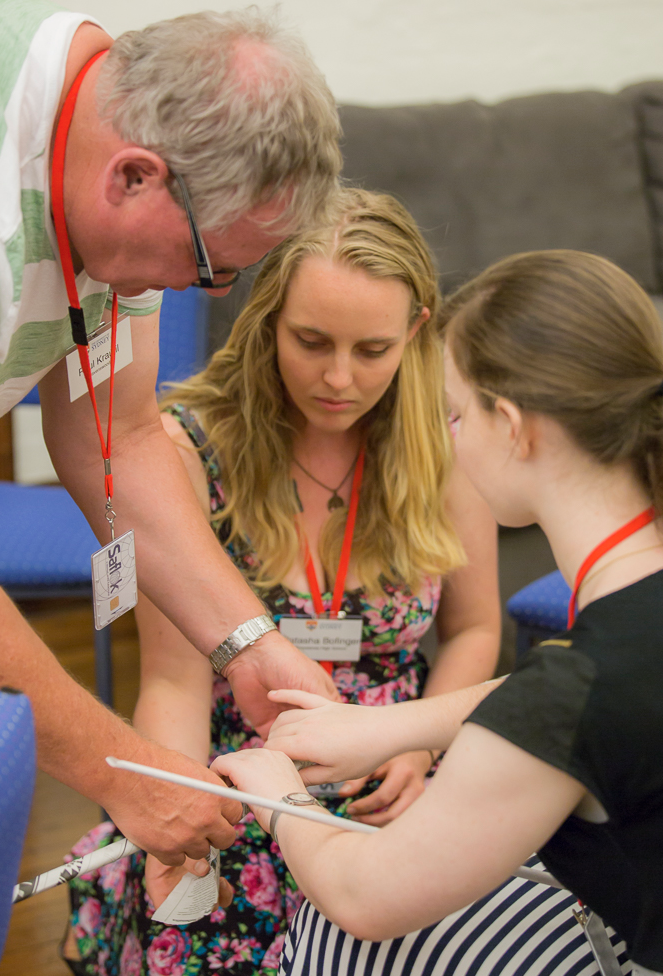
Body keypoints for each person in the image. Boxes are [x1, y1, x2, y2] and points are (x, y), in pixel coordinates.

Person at [64, 188, 501, 974]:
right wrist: (186, 813)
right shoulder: (184, 451)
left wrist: (423, 750)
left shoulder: (446, 447)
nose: (337, 378)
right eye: (310, 341)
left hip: (392, 768)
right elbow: (174, 680)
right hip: (240, 773)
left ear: (416, 331)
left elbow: (474, 631)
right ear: (267, 322)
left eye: (371, 350)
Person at [214, 249, 663, 975]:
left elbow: (363, 896)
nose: (445, 436)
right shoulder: (613, 634)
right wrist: (398, 725)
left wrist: (279, 796)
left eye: (454, 414)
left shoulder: (570, 691)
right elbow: (605, 695)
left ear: (513, 426)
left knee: (337, 940)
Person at [0, 1, 340, 866]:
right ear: (134, 178)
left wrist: (247, 642)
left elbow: (119, 434)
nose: (212, 294)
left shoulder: (112, 116)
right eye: (209, 265)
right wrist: (124, 773)